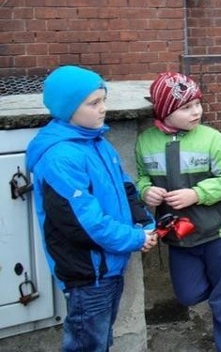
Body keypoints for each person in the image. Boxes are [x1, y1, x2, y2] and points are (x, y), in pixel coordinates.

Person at [27, 66, 157, 352]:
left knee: (100, 339)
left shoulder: (97, 142)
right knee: (87, 344)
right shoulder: (60, 157)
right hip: (87, 273)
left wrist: (143, 223)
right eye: (93, 103)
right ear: (68, 108)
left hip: (108, 266)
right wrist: (134, 238)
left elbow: (126, 189)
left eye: (104, 100)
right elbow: (82, 222)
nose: (103, 109)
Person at [136, 72, 221, 352]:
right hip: (178, 235)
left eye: (197, 103)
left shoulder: (212, 139)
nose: (196, 111)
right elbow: (140, 178)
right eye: (186, 107)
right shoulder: (145, 141)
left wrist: (197, 194)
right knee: (188, 293)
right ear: (163, 110)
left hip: (216, 231)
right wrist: (146, 190)